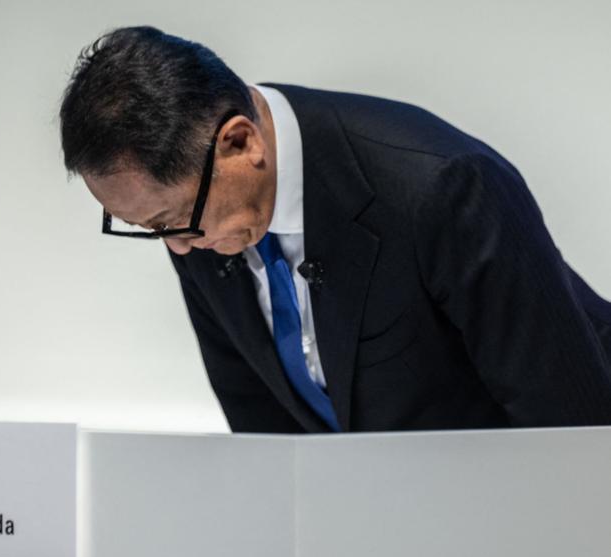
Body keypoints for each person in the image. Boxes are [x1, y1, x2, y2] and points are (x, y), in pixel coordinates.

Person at [58, 26, 611, 433]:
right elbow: (262, 427)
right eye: (147, 228)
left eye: (172, 222)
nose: (178, 247)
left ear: (240, 143)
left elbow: (569, 430)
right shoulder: (196, 210)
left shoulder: (444, 188)